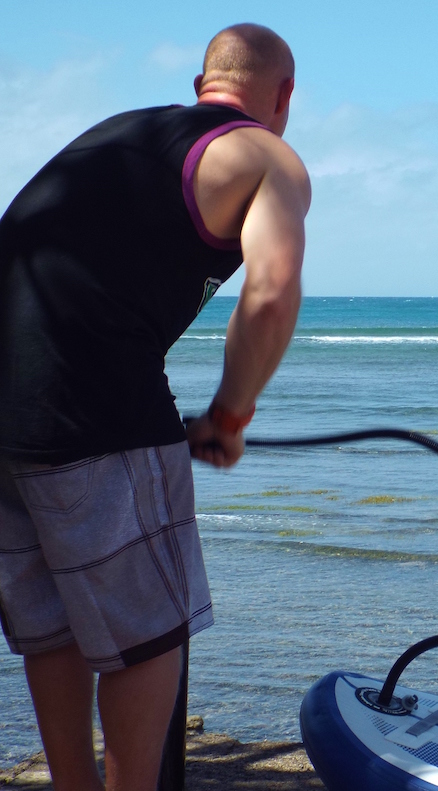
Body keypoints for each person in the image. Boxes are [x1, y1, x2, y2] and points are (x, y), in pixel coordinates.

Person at [0, 23, 310, 791]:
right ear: (284, 96)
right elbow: (271, 295)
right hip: (92, 399)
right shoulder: (267, 155)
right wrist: (231, 414)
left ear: (200, 82)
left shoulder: (120, 135)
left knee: (56, 621)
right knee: (148, 631)